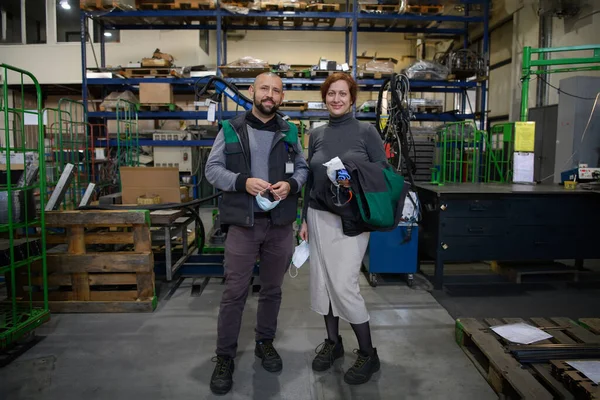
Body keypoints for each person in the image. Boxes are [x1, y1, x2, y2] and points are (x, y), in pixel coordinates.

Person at [205, 72, 309, 395]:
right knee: (234, 291)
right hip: (244, 225)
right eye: (264, 88)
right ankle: (224, 357)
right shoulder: (230, 129)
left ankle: (265, 342)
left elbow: (304, 169)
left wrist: (291, 185)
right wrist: (242, 182)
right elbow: (212, 170)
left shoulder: (290, 131)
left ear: (281, 97)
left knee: (272, 290)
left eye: (276, 90)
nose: (270, 94)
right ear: (252, 91)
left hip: (279, 225)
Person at [299, 73, 387, 385]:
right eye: (331, 94)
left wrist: (356, 176)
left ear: (352, 98)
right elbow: (311, 177)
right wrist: (304, 220)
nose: (336, 99)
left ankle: (368, 353)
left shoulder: (366, 131)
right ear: (325, 98)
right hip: (319, 215)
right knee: (322, 280)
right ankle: (333, 344)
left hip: (352, 220)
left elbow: (383, 173)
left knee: (344, 283)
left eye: (342, 94)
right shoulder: (317, 134)